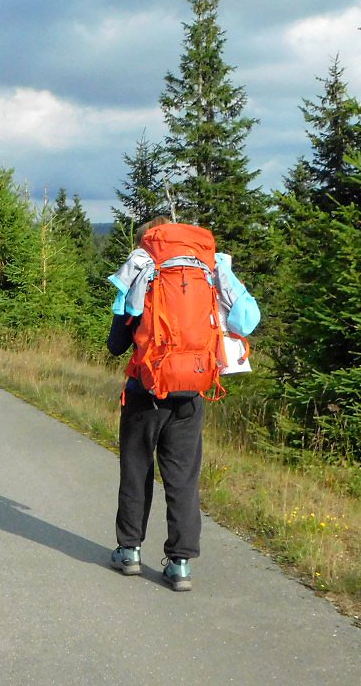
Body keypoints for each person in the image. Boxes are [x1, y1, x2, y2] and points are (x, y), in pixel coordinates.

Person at [105, 216, 259, 591]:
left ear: (147, 244)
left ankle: (129, 552)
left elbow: (115, 344)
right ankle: (180, 564)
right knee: (183, 478)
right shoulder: (207, 270)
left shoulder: (143, 271)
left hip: (146, 392)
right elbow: (246, 320)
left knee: (136, 470)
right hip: (192, 391)